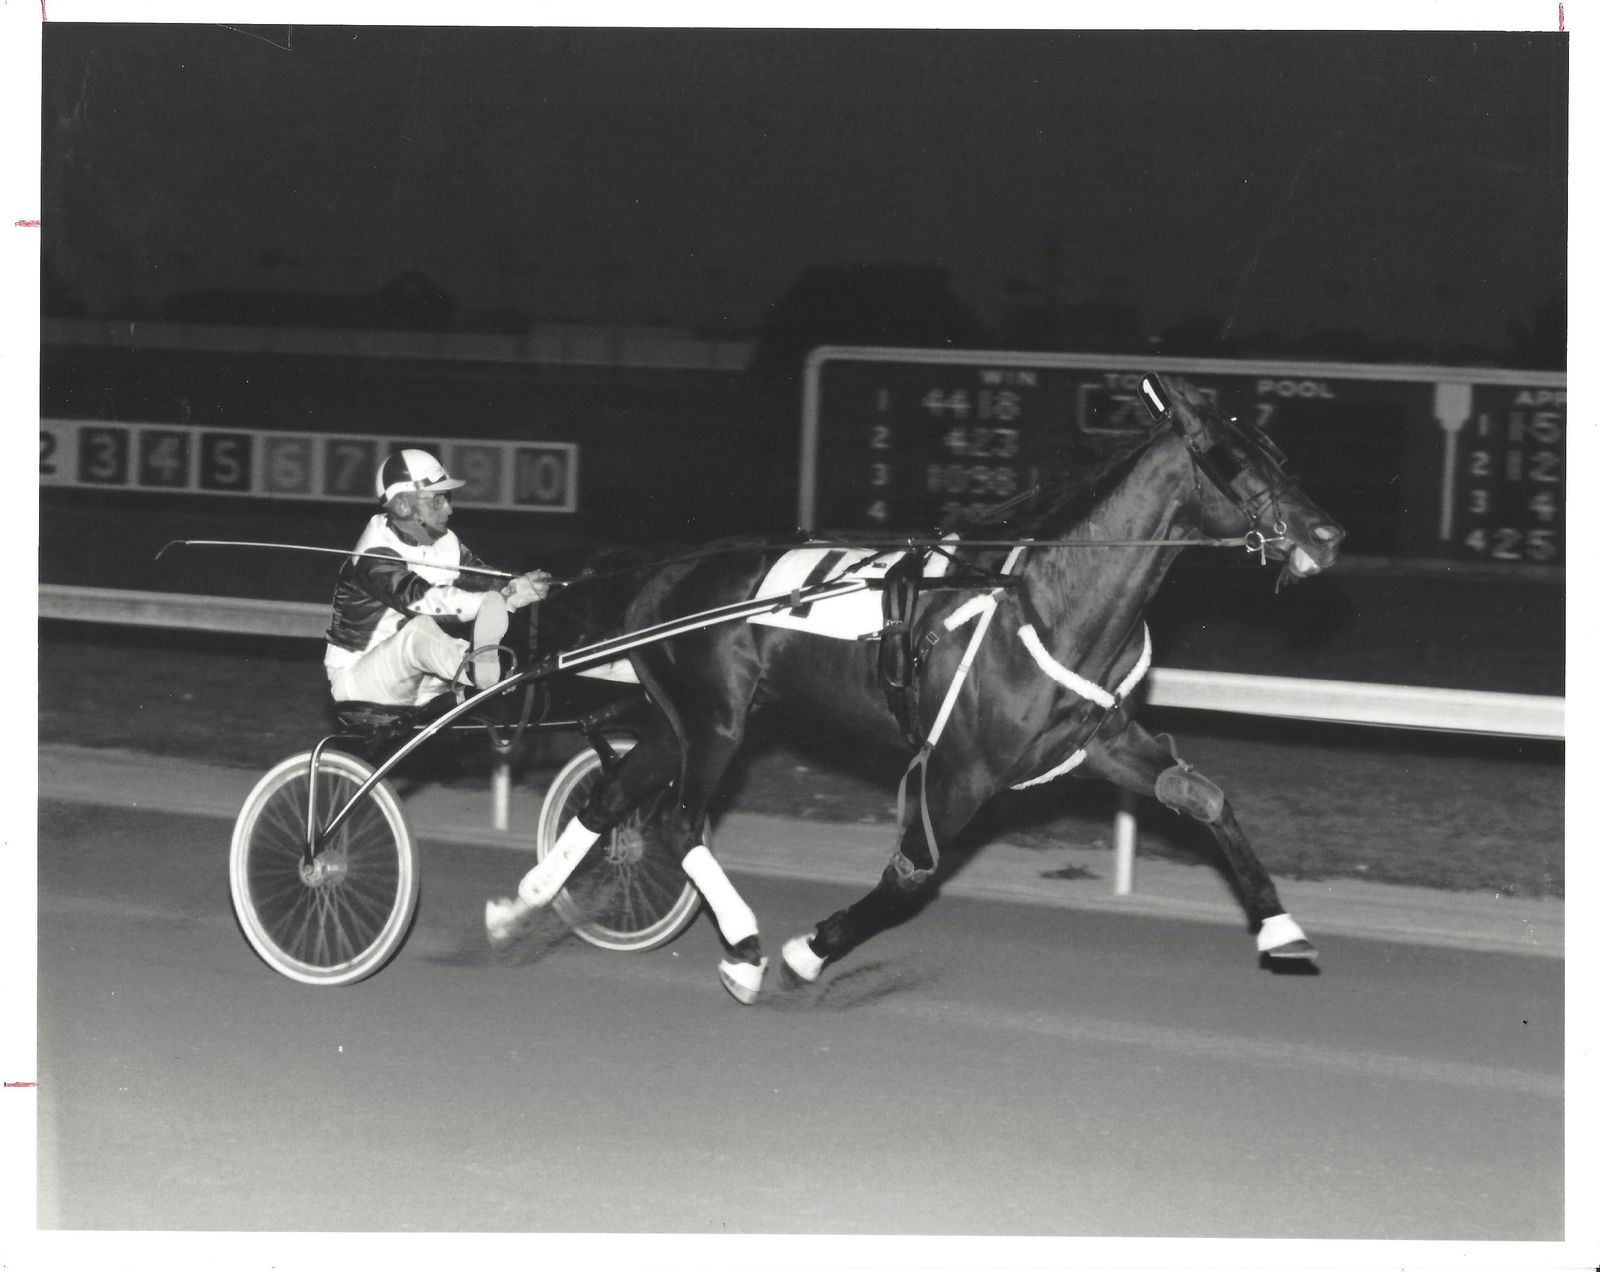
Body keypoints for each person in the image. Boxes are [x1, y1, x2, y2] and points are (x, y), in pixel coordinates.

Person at [324, 448, 551, 708]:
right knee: (420, 629)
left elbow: (480, 577)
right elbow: (423, 601)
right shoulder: (374, 555)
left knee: (502, 610)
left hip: (421, 681)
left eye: (447, 497)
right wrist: (488, 603)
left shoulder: (445, 542)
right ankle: (479, 670)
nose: (449, 509)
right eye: (437, 499)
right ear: (403, 505)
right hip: (361, 682)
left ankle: (495, 671)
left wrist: (518, 588)